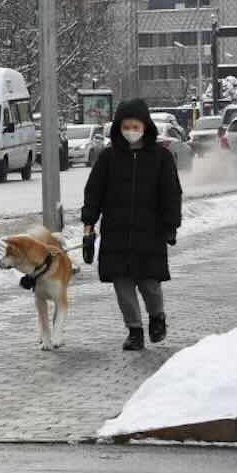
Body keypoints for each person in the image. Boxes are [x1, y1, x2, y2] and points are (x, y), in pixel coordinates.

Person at [81, 98, 183, 350]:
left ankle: (157, 318)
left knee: (149, 283)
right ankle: (134, 330)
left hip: (150, 232)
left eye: (135, 125)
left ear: (145, 126)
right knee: (123, 285)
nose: (130, 131)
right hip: (116, 232)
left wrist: (171, 224)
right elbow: (94, 192)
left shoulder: (161, 157)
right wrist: (89, 222)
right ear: (118, 127)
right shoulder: (108, 158)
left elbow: (171, 192)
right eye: (126, 126)